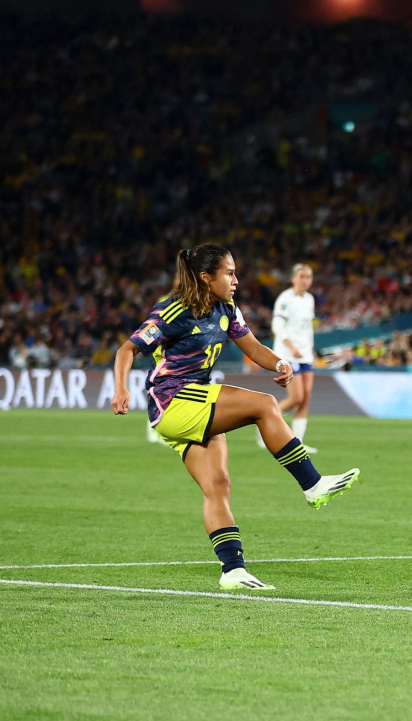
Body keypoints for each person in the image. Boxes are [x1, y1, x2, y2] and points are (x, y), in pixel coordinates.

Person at [110, 244, 360, 591]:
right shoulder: (173, 310)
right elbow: (127, 349)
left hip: (194, 406)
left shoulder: (227, 308)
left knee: (218, 487)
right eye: (229, 273)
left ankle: (233, 570)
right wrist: (120, 389)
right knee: (265, 405)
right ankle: (312, 483)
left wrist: (279, 363)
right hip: (174, 401)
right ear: (205, 277)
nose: (236, 280)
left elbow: (253, 346)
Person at [270, 263, 319, 452]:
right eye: (302, 276)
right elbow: (277, 325)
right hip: (288, 354)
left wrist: (311, 349)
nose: (305, 280)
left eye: (308, 277)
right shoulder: (285, 299)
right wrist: (291, 346)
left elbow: (308, 328)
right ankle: (266, 420)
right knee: (296, 397)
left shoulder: (309, 299)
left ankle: (298, 442)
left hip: (306, 354)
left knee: (305, 398)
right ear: (293, 278)